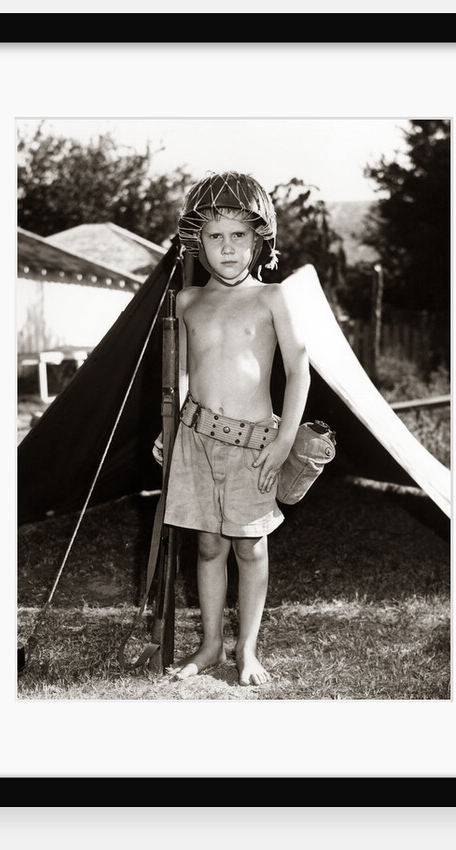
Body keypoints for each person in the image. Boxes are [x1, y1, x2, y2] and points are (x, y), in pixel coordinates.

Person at [156, 171, 310, 686]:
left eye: (238, 235)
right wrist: (171, 422)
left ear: (257, 240)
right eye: (215, 236)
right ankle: (211, 645)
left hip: (253, 445)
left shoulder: (272, 297)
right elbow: (182, 372)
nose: (227, 248)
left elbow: (300, 367)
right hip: (196, 441)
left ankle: (247, 650)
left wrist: (285, 440)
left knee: (251, 546)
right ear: (197, 242)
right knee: (207, 546)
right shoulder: (186, 302)